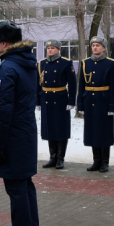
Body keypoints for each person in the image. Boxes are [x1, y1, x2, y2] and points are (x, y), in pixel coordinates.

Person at [0, 22, 40, 226]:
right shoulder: (27, 64)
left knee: (17, 189)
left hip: (12, 135)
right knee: (26, 186)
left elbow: (2, 111)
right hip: (26, 131)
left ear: (5, 43)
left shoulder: (8, 68)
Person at [78, 35, 114, 172]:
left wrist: (113, 106)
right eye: (93, 45)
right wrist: (80, 104)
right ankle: (96, 160)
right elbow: (81, 85)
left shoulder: (110, 63)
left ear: (104, 48)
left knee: (104, 132)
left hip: (104, 101)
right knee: (92, 131)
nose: (95, 47)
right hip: (89, 100)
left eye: (98, 45)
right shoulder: (85, 63)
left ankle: (105, 162)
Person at [37, 39, 77, 170]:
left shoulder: (66, 63)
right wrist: (37, 101)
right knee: (49, 129)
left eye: (53, 48)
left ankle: (60, 158)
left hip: (60, 99)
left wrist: (71, 101)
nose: (50, 50)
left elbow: (72, 83)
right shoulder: (41, 63)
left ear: (58, 49)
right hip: (46, 99)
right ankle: (52, 157)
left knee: (60, 129)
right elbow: (38, 84)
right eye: (48, 48)